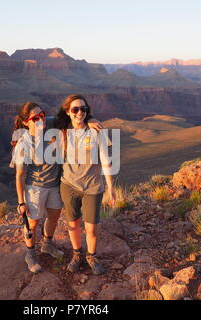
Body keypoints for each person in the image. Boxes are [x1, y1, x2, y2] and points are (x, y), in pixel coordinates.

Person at [10, 102, 103, 273]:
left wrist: (90, 120)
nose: (41, 119)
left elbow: (72, 116)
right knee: (32, 222)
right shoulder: (24, 143)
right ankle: (30, 254)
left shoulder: (50, 124)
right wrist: (21, 202)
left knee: (53, 217)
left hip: (55, 184)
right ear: (26, 122)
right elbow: (20, 176)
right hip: (35, 187)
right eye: (35, 118)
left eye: (42, 114)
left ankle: (47, 244)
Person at [55, 94, 115, 275]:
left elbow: (106, 160)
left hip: (93, 187)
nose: (80, 112)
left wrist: (110, 187)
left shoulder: (96, 131)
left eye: (84, 109)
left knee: (91, 227)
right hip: (69, 185)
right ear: (67, 112)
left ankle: (92, 256)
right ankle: (77, 254)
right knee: (73, 224)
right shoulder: (62, 131)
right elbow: (42, 122)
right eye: (75, 109)